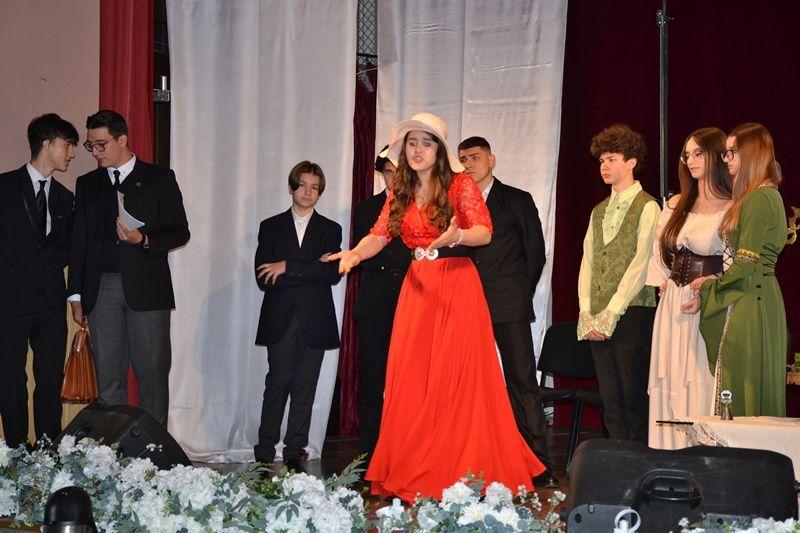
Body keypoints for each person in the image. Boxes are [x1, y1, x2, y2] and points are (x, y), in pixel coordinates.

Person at [329, 113, 544, 501]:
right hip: (417, 288)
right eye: (411, 143)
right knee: (414, 379)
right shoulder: (402, 190)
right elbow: (379, 234)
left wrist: (455, 236)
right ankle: (418, 465)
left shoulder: (460, 185)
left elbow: (483, 232)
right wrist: (355, 254)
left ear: (440, 151)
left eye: (426, 143)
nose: (417, 150)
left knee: (456, 379)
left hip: (456, 284)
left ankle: (460, 467)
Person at [68, 109, 189, 426]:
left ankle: (153, 450)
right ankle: (111, 450)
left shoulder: (159, 178)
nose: (95, 152)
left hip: (148, 289)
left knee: (152, 373)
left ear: (122, 139)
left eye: (101, 144)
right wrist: (75, 295)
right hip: (101, 288)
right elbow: (79, 241)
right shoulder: (87, 184)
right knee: (109, 375)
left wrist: (143, 238)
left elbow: (179, 231)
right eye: (90, 145)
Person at [457, 136, 554, 483]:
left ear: (491, 160)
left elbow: (535, 254)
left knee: (521, 380)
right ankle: (475, 461)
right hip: (465, 303)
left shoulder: (516, 199)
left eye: (475, 157)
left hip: (508, 302)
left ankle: (538, 464)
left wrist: (518, 293)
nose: (469, 164)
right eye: (463, 159)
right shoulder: (457, 204)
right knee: (467, 384)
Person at [253, 161, 342, 472]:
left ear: (320, 193)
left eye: (314, 187)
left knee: (305, 387)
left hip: (315, 320)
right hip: (280, 318)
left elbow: (331, 274)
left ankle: (295, 451)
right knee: (277, 383)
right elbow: (264, 278)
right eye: (303, 185)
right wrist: (310, 267)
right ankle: (264, 450)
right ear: (292, 187)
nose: (308, 192)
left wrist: (287, 266)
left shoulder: (330, 229)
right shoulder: (271, 226)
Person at [645, 128, 731, 449]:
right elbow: (659, 253)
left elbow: (734, 261)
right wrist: (665, 280)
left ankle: (702, 455)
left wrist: (712, 287)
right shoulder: (676, 205)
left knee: (699, 376)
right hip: (673, 303)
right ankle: (669, 455)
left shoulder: (733, 206)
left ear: (717, 156)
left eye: (699, 153)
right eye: (687, 155)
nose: (690, 161)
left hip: (708, 301)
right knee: (671, 377)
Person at [693, 123, 787, 417]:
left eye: (733, 152)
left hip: (750, 300)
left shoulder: (759, 198)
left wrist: (710, 286)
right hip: (756, 295)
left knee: (741, 379)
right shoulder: (762, 195)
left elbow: (746, 263)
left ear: (752, 153)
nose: (727, 159)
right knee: (746, 379)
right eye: (726, 153)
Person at [577, 123, 660, 444]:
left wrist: (612, 311)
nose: (604, 166)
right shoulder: (598, 211)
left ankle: (639, 461)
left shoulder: (648, 206)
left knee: (632, 395)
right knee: (610, 398)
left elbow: (641, 264)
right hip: (598, 314)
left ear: (631, 162)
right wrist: (588, 311)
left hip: (632, 311)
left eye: (611, 159)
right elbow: (588, 261)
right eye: (601, 161)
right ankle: (616, 462)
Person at [0, 113, 78, 448]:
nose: (71, 153)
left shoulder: (65, 198)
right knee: (9, 379)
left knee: (49, 380)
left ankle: (48, 449)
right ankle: (17, 449)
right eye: (67, 145)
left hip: (50, 303)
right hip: (8, 302)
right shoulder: (4, 187)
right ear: (47, 143)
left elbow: (67, 249)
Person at [352, 146, 411, 458]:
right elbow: (364, 253)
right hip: (375, 299)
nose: (394, 178)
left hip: (412, 297)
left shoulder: (421, 206)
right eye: (388, 171)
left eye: (399, 172)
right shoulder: (367, 209)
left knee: (411, 379)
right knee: (373, 378)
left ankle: (406, 449)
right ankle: (369, 452)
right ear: (381, 174)